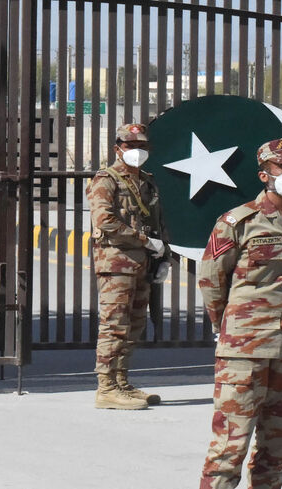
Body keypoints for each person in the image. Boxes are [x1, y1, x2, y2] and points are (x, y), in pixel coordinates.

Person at [198, 138, 282, 489]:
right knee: (229, 448)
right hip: (245, 352)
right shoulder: (238, 221)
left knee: (278, 446)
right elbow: (211, 279)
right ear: (265, 175)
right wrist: (227, 329)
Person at [86, 122, 171, 410]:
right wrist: (144, 241)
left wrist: (163, 255)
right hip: (116, 264)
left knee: (134, 325)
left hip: (142, 264)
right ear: (117, 148)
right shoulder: (105, 180)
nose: (136, 151)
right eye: (130, 145)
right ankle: (106, 388)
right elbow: (105, 221)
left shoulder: (147, 180)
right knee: (114, 325)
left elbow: (158, 222)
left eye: (141, 146)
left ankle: (121, 381)